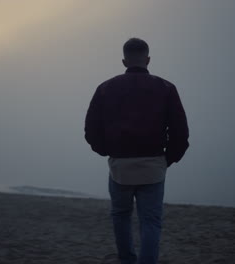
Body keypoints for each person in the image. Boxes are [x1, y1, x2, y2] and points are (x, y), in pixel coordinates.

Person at [84, 38, 189, 264]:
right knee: (150, 221)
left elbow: (91, 130)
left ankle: (127, 260)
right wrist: (167, 159)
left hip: (120, 167)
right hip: (153, 166)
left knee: (121, 217)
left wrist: (108, 151)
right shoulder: (166, 88)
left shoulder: (105, 88)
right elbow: (181, 132)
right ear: (148, 59)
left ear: (124, 60)